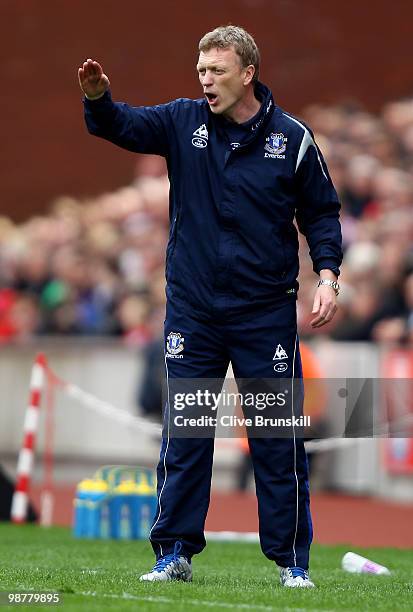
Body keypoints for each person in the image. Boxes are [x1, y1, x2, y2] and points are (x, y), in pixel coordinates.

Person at [78, 25, 342, 588]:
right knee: (188, 431)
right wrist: (98, 98)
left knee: (277, 438)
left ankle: (293, 564)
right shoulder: (182, 121)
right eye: (201, 71)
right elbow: (121, 125)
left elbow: (321, 214)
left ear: (248, 73)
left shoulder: (293, 139)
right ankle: (173, 553)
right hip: (194, 313)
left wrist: (328, 276)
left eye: (216, 71)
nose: (205, 81)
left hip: (264, 314)